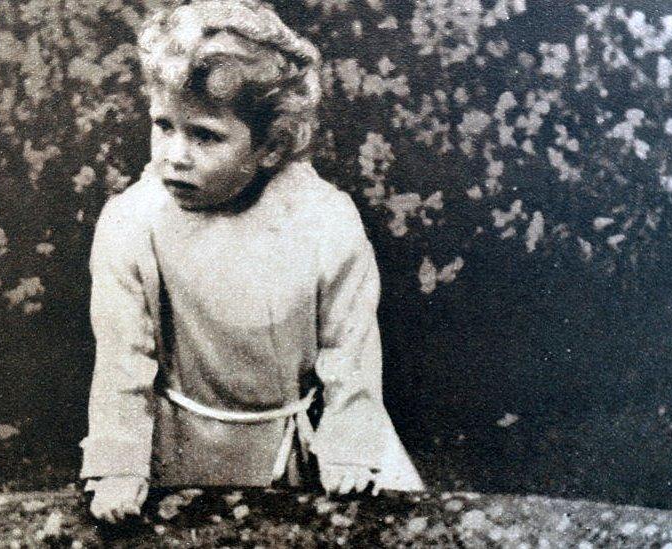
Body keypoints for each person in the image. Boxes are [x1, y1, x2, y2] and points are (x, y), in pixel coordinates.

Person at [79, 0, 425, 523]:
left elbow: (349, 347)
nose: (175, 154)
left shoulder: (325, 220)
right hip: (179, 447)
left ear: (269, 146)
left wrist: (350, 441)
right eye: (164, 125)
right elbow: (123, 361)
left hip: (303, 445)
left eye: (204, 135)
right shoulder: (130, 222)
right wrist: (120, 464)